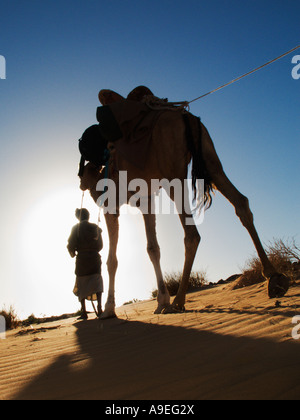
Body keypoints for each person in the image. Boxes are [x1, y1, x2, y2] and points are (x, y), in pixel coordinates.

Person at [67, 208, 103, 319]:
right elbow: (100, 245)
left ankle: (84, 312)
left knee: (81, 284)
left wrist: (73, 252)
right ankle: (100, 308)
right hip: (94, 259)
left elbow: (70, 244)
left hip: (82, 260)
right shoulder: (95, 227)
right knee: (97, 282)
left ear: (78, 217)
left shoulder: (75, 228)